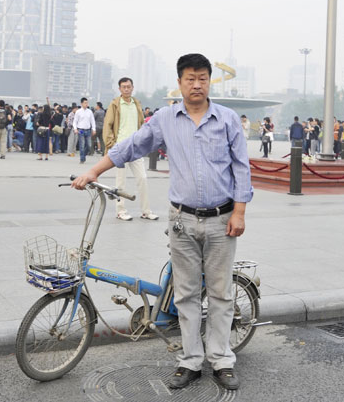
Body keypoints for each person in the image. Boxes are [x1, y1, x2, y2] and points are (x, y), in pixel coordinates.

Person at [73, 53, 252, 392]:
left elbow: (241, 167)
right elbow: (130, 147)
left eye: (202, 77)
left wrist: (240, 211)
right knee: (185, 294)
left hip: (221, 219)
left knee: (219, 293)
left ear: (209, 81)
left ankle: (222, 359)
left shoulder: (227, 119)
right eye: (190, 78)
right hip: (182, 220)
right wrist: (94, 171)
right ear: (180, 82)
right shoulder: (166, 119)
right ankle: (190, 361)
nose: (196, 84)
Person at [102, 78, 158, 221]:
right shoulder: (115, 104)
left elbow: (141, 124)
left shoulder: (136, 104)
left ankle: (146, 211)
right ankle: (121, 211)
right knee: (120, 182)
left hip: (135, 147)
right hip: (120, 147)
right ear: (119, 89)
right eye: (123, 87)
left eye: (128, 87)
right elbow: (107, 125)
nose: (126, 89)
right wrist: (111, 144)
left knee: (143, 179)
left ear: (132, 88)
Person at [74, 98, 95, 164]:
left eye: (87, 103)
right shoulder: (78, 112)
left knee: (89, 145)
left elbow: (92, 121)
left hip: (88, 130)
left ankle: (84, 155)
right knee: (82, 145)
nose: (86, 104)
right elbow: (75, 121)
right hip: (81, 130)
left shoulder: (90, 111)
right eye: (85, 103)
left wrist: (94, 129)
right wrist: (75, 128)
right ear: (82, 103)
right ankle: (82, 159)